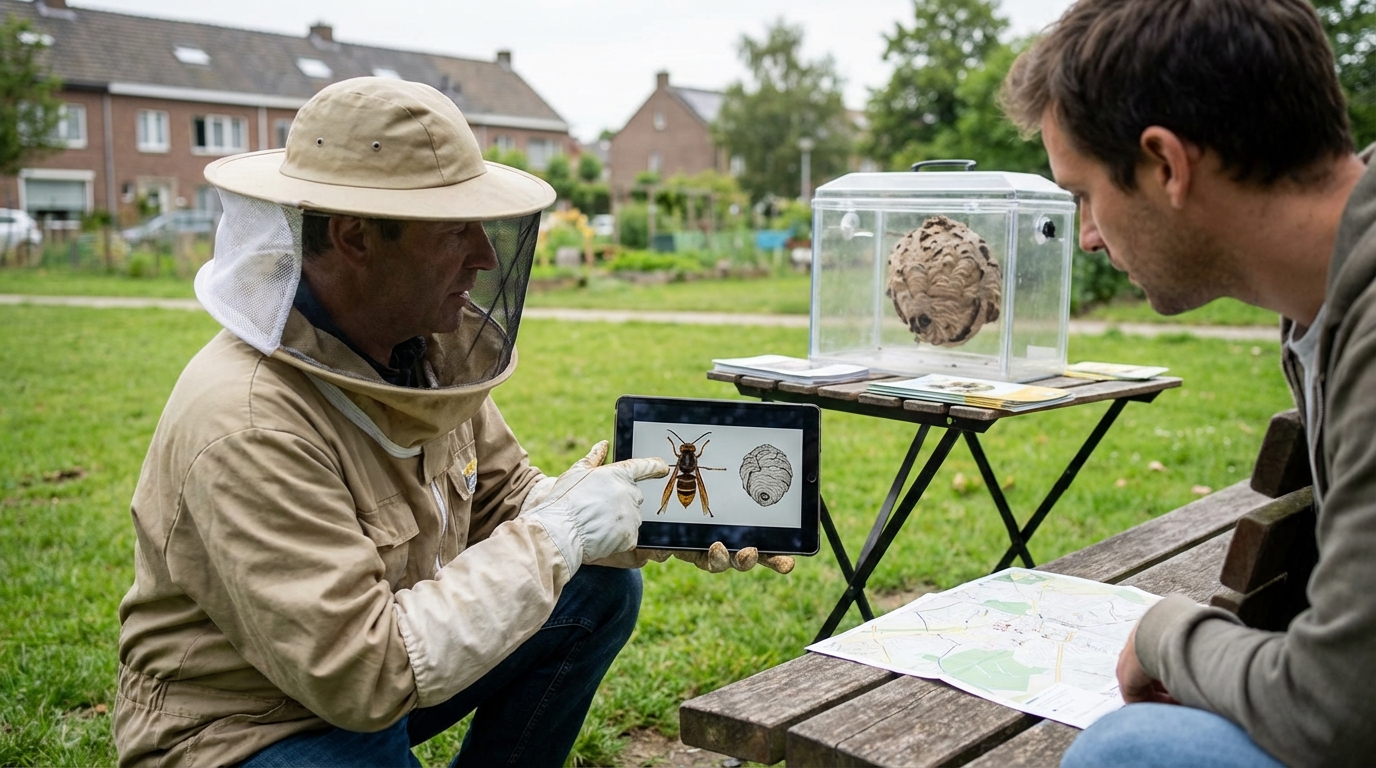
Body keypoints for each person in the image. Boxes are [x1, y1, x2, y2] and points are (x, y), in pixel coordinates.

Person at [113, 77, 791, 768]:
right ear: (354, 237)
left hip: (379, 680)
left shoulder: (419, 349)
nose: (485, 255)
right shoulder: (247, 418)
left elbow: (504, 499)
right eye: (453, 229)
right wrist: (564, 532)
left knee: (598, 587)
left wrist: (650, 522)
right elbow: (363, 673)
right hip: (248, 726)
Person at [1000, 1, 1376, 766]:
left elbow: (1334, 708)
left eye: (1082, 195)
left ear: (1167, 164)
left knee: (1128, 751)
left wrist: (1166, 633)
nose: (1088, 236)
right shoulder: (1329, 299)